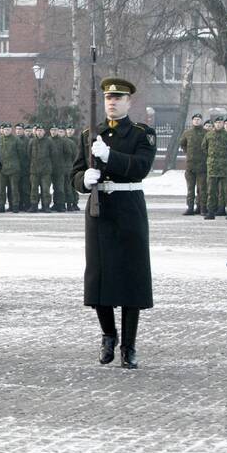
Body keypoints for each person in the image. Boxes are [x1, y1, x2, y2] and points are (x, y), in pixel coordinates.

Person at [72, 77, 156, 368]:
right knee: (99, 276)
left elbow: (141, 167)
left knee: (131, 279)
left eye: (118, 98)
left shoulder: (141, 134)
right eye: (109, 98)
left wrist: (111, 156)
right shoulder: (89, 134)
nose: (112, 102)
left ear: (129, 102)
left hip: (128, 208)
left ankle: (129, 346)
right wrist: (83, 180)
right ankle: (109, 334)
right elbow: (76, 172)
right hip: (100, 211)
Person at [28, 124, 53, 212]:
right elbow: (29, 155)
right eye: (38, 130)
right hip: (34, 170)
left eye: (41, 130)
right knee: (33, 189)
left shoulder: (49, 142)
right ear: (36, 131)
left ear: (44, 132)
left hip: (46, 170)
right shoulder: (32, 141)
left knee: (46, 189)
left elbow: (53, 155)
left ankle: (46, 206)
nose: (39, 132)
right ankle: (34, 205)